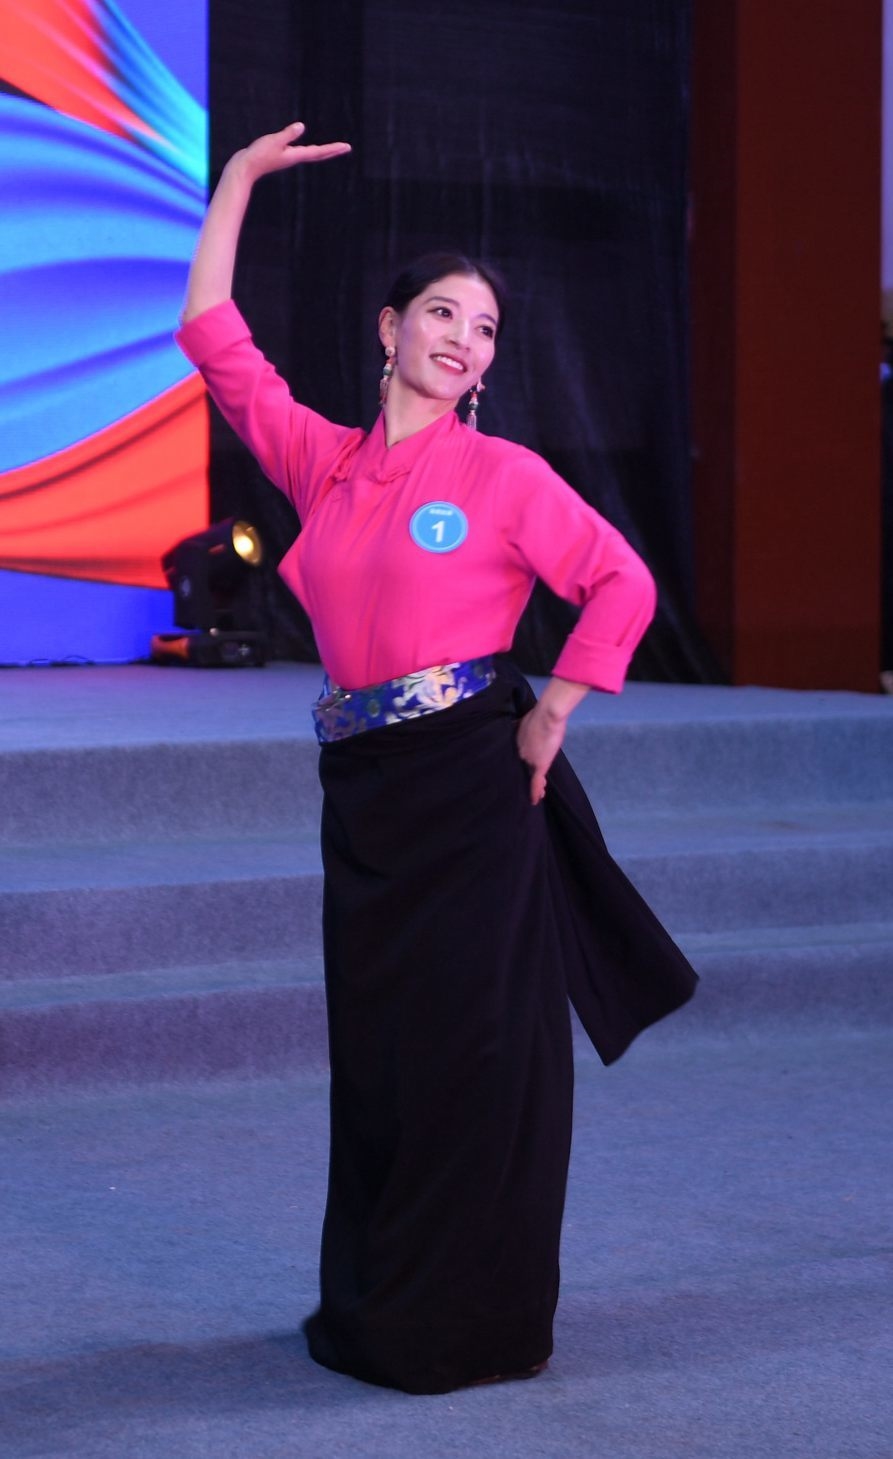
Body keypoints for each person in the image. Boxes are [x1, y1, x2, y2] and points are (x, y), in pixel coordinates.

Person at [176, 123, 698, 1395]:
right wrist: (236, 181)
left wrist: (552, 710)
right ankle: (374, 1304)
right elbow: (213, 336)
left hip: (472, 786)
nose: (466, 340)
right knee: (383, 1061)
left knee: (473, 1057)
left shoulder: (502, 475)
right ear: (390, 328)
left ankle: (468, 1323)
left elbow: (620, 581)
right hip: (364, 797)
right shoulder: (324, 462)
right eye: (444, 314)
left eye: (486, 328)